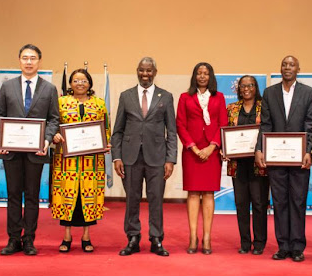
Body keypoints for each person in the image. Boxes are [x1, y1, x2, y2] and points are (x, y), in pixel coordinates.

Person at [0, 44, 60, 256]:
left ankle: (29, 239)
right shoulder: (7, 86)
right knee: (13, 195)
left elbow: (53, 119)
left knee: (32, 196)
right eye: (25, 58)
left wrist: (47, 140)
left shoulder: (49, 89)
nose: (29, 62)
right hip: (11, 151)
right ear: (19, 61)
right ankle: (13, 239)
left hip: (37, 151)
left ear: (39, 61)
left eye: (33, 58)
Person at [111, 57, 177, 257]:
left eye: (149, 71)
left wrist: (170, 159)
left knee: (156, 199)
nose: (145, 74)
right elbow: (118, 131)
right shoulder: (126, 96)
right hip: (130, 157)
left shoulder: (165, 97)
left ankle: (156, 239)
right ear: (137, 71)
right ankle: (133, 238)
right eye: (142, 70)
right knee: (132, 199)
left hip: (157, 157)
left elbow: (171, 132)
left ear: (155, 72)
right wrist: (117, 157)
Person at [255, 55, 312, 262]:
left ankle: (297, 246)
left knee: (298, 201)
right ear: (280, 68)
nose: (287, 67)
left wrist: (308, 150)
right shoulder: (269, 93)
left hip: (300, 157)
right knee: (279, 201)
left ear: (298, 69)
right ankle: (283, 245)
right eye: (284, 64)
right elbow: (265, 125)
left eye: (291, 65)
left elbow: (310, 124)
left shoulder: (308, 93)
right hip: (276, 156)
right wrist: (259, 150)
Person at [51, 68, 111, 253]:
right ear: (70, 84)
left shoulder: (99, 103)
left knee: (88, 198)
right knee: (68, 197)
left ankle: (86, 235)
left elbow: (106, 128)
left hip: (91, 162)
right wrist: (54, 136)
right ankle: (66, 236)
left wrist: (106, 143)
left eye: (84, 80)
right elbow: (52, 123)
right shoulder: (61, 102)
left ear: (90, 83)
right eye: (76, 80)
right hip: (66, 161)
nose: (80, 84)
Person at [176, 62, 228, 254]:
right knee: (192, 193)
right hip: (192, 152)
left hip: (212, 152)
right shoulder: (185, 97)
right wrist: (194, 148)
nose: (202, 76)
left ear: (211, 76)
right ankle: (192, 236)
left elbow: (223, 123)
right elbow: (180, 124)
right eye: (199, 73)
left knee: (208, 193)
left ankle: (207, 237)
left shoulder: (219, 97)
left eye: (206, 73)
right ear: (194, 76)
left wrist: (212, 146)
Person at [225, 75, 269, 255]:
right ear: (238, 88)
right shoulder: (232, 108)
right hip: (238, 164)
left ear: (255, 87)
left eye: (250, 85)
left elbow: (268, 130)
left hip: (259, 164)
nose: (246, 88)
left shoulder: (264, 107)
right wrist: (225, 149)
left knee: (259, 204)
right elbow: (225, 130)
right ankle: (245, 242)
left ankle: (259, 242)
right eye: (243, 86)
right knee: (241, 204)